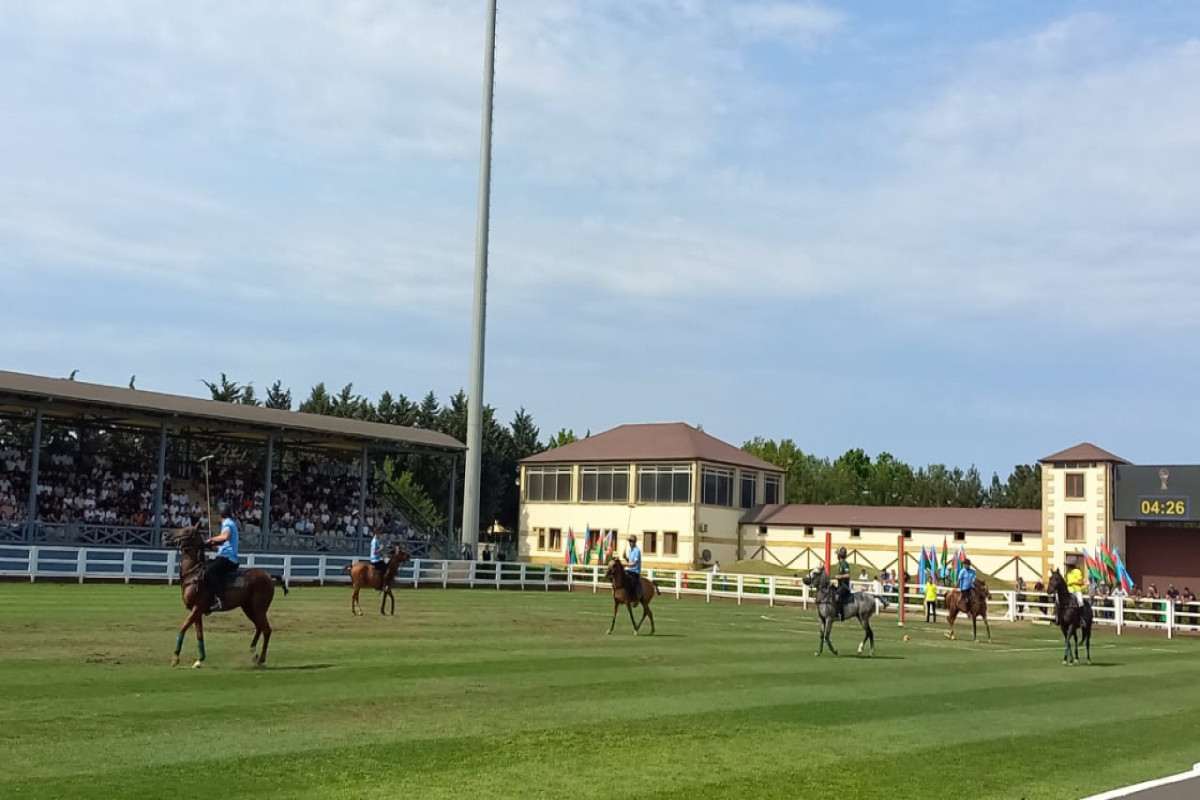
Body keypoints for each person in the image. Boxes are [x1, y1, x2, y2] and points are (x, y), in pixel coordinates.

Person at [203, 501, 239, 613]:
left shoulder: (227, 523)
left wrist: (211, 540)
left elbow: (225, 537)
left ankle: (220, 600)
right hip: (225, 556)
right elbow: (222, 547)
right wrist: (212, 547)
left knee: (208, 572)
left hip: (228, 559)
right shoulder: (229, 523)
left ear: (221, 514)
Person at [833, 547, 852, 621]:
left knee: (837, 597)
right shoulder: (841, 564)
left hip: (845, 587)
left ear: (840, 555)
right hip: (840, 586)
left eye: (837, 554)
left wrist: (840, 576)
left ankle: (840, 614)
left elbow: (848, 575)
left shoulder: (844, 564)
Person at [624, 534, 643, 603]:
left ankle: (635, 598)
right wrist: (625, 558)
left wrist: (625, 564)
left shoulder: (637, 551)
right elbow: (630, 561)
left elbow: (634, 563)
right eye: (629, 541)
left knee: (632, 584)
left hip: (635, 572)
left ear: (635, 542)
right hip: (629, 570)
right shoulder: (630, 550)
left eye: (631, 541)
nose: (630, 542)